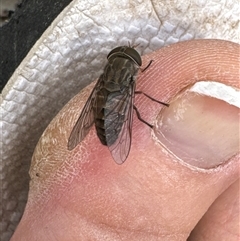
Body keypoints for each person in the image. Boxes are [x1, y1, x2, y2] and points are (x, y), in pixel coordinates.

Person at [10, 39, 239, 241]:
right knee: (131, 108)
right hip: (115, 108)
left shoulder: (108, 75)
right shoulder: (130, 78)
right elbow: (135, 97)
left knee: (107, 104)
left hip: (104, 103)